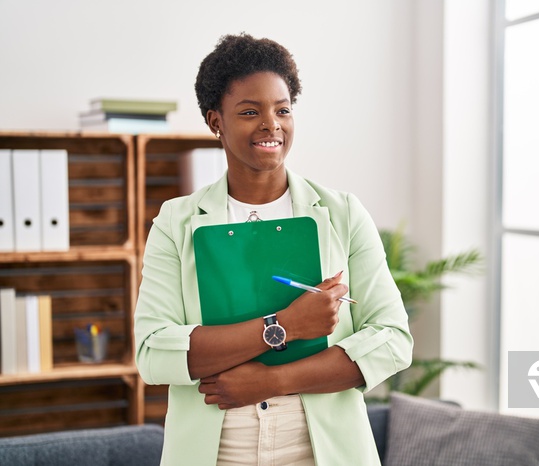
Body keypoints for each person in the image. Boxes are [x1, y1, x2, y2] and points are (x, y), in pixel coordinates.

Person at [134, 33, 413, 466]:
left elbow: (392, 340)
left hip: (324, 453)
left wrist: (271, 380)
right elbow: (153, 353)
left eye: (282, 109)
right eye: (250, 112)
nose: (272, 124)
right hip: (216, 453)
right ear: (216, 122)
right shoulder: (176, 222)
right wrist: (284, 324)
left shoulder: (341, 213)